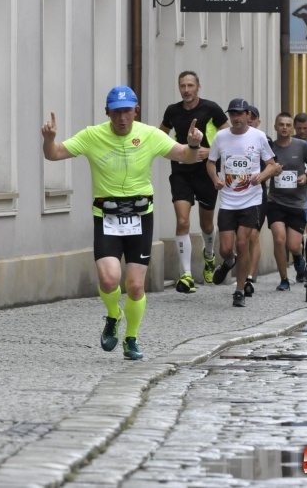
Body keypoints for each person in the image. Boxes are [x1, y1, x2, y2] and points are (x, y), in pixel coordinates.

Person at [42, 85, 204, 360]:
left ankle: (131, 338)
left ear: (136, 110)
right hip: (106, 216)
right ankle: (113, 315)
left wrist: (193, 143)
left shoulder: (150, 135)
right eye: (116, 112)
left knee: (135, 285)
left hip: (140, 216)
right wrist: (49, 139)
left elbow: (186, 157)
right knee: (108, 278)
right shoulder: (92, 135)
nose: (122, 118)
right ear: (107, 113)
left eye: (127, 111)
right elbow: (54, 154)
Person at [159, 71, 229, 293]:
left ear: (198, 87)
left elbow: (228, 135)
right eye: (182, 86)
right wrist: (176, 152)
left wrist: (210, 151)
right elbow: (160, 137)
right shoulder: (172, 111)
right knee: (182, 221)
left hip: (206, 171)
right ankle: (186, 275)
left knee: (207, 224)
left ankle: (209, 256)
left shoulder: (211, 108)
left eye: (190, 85)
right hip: (181, 172)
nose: (186, 90)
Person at [206, 98, 278, 307]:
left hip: (251, 199)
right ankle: (229, 262)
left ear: (248, 115)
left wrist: (262, 176)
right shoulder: (221, 137)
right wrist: (215, 179)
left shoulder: (258, 137)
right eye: (233, 114)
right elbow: (211, 163)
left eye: (240, 114)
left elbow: (272, 165)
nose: (236, 118)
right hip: (228, 200)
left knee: (242, 242)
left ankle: (239, 290)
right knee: (226, 249)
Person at [266, 112, 307, 291]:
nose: (285, 128)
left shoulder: (301, 146)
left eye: (288, 125)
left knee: (294, 245)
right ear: (275, 127)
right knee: (279, 239)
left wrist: (306, 176)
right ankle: (284, 279)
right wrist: (271, 171)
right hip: (275, 201)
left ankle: (298, 257)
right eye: (281, 124)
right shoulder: (270, 147)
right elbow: (262, 168)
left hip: (297, 202)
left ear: (291, 127)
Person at [244, 104, 271, 296]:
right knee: (241, 238)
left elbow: (274, 164)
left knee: (253, 236)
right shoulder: (232, 137)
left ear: (258, 121)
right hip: (236, 195)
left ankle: (250, 278)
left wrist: (262, 176)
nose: (249, 120)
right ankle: (242, 271)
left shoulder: (264, 140)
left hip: (258, 193)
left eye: (253, 117)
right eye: (247, 117)